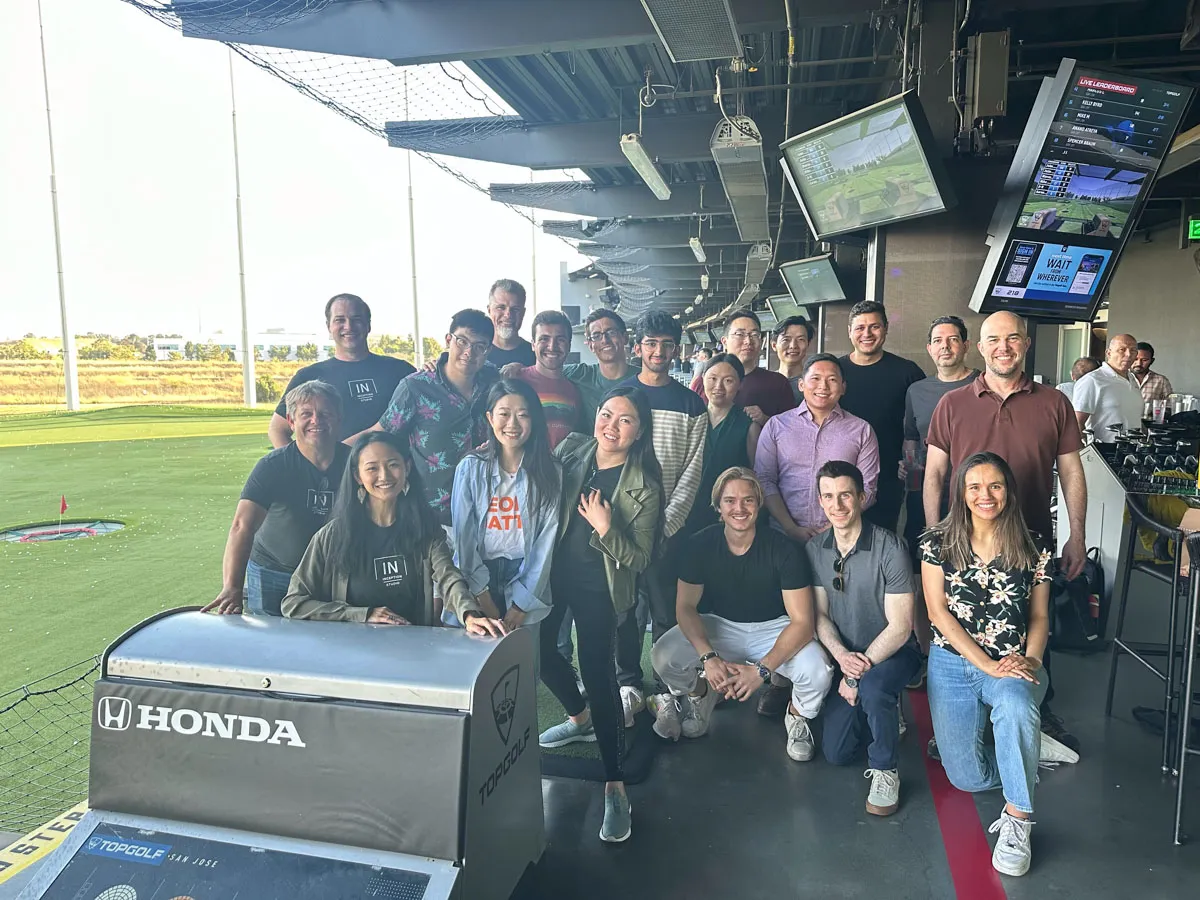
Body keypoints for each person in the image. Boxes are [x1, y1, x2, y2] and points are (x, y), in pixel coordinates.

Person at [924, 310, 1087, 752]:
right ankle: (962, 718)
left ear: (1026, 344)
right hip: (963, 545)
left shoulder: (1055, 403)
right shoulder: (953, 404)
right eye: (994, 339)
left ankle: (1035, 707)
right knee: (963, 628)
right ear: (980, 348)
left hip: (1029, 543)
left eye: (1013, 339)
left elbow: (1071, 472)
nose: (1004, 347)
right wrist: (934, 535)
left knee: (1034, 624)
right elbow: (935, 475)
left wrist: (1076, 534)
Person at [921, 452, 1078, 878]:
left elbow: (1040, 617)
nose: (985, 495)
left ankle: (1019, 819)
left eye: (994, 486)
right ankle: (1026, 748)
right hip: (952, 663)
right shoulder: (937, 541)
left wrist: (1031, 659)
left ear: (1008, 491)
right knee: (965, 778)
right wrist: (984, 664)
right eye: (974, 487)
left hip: (1013, 660)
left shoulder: (1033, 545)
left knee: (1014, 704)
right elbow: (937, 613)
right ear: (961, 493)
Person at [537, 386, 663, 844]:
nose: (610, 426)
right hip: (550, 577)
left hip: (601, 589)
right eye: (606, 414)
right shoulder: (572, 448)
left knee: (598, 674)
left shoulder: (643, 485)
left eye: (624, 420)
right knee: (539, 653)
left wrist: (607, 527)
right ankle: (579, 717)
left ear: (639, 431)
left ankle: (615, 782)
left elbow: (641, 558)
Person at [650, 468, 834, 761]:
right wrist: (708, 659)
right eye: (730, 501)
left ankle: (797, 716)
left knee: (818, 671)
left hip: (774, 627)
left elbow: (802, 623)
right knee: (662, 656)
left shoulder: (784, 549)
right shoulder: (698, 545)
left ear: (759, 505)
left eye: (748, 500)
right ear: (718, 506)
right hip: (719, 625)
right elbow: (685, 608)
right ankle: (701, 695)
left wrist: (762, 671)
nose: (739, 508)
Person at [281, 432, 505, 636]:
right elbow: (294, 603)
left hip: (412, 655)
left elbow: (448, 577)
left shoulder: (425, 528)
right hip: (352, 657)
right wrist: (362, 615)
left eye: (393, 464)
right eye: (372, 468)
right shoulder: (331, 537)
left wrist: (469, 614)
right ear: (357, 476)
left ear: (407, 468)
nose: (384, 475)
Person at [807, 461, 920, 816]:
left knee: (873, 688)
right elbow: (819, 616)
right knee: (837, 754)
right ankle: (883, 713)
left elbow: (901, 626)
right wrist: (842, 659)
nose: (837, 505)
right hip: (848, 657)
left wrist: (856, 674)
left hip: (894, 654)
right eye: (828, 496)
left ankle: (886, 770)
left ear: (861, 496)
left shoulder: (890, 548)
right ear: (820, 501)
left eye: (845, 495)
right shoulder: (816, 549)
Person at [617, 311, 707, 725]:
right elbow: (610, 453)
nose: (659, 352)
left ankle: (668, 690)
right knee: (623, 609)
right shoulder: (622, 395)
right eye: (651, 343)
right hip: (620, 527)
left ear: (677, 349)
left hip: (669, 532)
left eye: (667, 344)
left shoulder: (692, 404)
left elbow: (692, 474)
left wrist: (666, 526)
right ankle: (628, 685)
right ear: (637, 347)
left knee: (665, 612)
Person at [206, 381, 350, 617]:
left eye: (325, 413)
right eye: (306, 414)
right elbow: (243, 526)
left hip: (334, 576)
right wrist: (231, 587)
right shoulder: (272, 466)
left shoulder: (357, 463)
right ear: (291, 422)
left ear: (339, 419)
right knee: (269, 648)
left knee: (330, 643)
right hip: (272, 573)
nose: (316, 420)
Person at [901, 316, 979, 684]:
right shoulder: (917, 390)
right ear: (929, 348)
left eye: (952, 339)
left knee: (971, 576)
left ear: (966, 345)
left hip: (976, 501)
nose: (945, 346)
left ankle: (971, 655)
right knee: (924, 575)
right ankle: (927, 652)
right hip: (927, 498)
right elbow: (911, 439)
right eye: (937, 340)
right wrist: (909, 466)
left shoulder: (982, 384)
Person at [448, 379, 561, 633]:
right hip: (476, 574)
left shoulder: (550, 470)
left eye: (523, 415)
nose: (512, 424)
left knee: (519, 661)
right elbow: (463, 539)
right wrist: (482, 595)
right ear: (489, 418)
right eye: (504, 414)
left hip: (525, 575)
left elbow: (546, 541)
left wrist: (520, 606)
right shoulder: (470, 467)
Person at [373, 309, 499, 524]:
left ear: (488, 350)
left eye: (480, 346)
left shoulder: (493, 381)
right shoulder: (415, 387)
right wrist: (337, 452)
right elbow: (382, 434)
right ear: (448, 340)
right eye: (462, 341)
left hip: (487, 511)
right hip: (430, 516)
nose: (469, 352)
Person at [757, 353, 880, 543]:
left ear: (843, 387)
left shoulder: (861, 430)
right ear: (801, 384)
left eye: (832, 380)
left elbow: (868, 489)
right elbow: (764, 480)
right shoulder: (776, 426)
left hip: (840, 537)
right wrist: (790, 528)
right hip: (781, 536)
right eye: (815, 379)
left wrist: (830, 529)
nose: (823, 386)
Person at [268, 294, 415, 448]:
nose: (349, 326)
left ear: (368, 325)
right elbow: (277, 429)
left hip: (395, 469)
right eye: (340, 320)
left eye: (356, 319)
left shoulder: (400, 370)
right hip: (337, 471)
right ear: (329, 326)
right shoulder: (309, 377)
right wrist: (304, 468)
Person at [838, 301, 925, 531]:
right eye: (859, 328)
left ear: (886, 329)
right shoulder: (834, 372)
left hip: (888, 479)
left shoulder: (908, 372)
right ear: (849, 332)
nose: (867, 334)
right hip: (837, 476)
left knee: (881, 543)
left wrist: (912, 464)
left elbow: (922, 426)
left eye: (874, 327)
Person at [683, 353, 760, 537]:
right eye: (712, 379)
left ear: (740, 384)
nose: (718, 387)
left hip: (729, 515)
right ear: (703, 380)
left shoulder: (748, 426)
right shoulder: (690, 420)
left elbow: (756, 476)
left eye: (728, 381)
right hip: (687, 510)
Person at [689, 308, 795, 425]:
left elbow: (791, 429)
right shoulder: (703, 384)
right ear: (724, 341)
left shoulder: (777, 383)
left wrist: (765, 420)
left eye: (754, 334)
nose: (748, 341)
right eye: (740, 334)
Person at [512, 310, 583, 449]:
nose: (552, 346)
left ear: (569, 345)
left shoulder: (575, 391)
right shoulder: (515, 380)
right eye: (544, 339)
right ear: (533, 344)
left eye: (560, 339)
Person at [563, 309, 640, 425]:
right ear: (590, 345)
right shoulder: (580, 374)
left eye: (611, 332)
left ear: (625, 337)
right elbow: (541, 372)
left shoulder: (644, 379)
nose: (605, 340)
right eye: (596, 336)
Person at [1073, 333, 1141, 445]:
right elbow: (1076, 423)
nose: (1128, 355)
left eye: (1133, 351)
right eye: (1122, 350)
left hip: (1132, 451)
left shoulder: (1132, 379)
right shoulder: (1092, 380)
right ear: (1108, 353)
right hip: (1103, 451)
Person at [485, 278, 536, 367]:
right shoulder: (477, 354)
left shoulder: (536, 356)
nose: (508, 315)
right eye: (501, 307)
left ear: (523, 313)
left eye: (515, 309)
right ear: (489, 310)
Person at [773, 315, 814, 403]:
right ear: (774, 345)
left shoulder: (813, 384)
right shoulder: (765, 382)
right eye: (786, 339)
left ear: (808, 344)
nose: (793, 346)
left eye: (800, 339)